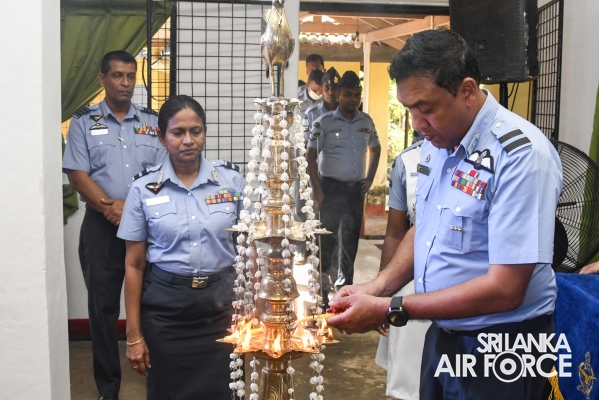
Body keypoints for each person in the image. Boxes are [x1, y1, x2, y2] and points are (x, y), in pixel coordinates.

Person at [327, 29, 562, 400]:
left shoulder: (520, 156)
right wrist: (376, 287)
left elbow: (505, 290)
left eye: (425, 108)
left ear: (466, 91)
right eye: (408, 109)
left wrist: (390, 308)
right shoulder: (439, 143)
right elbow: (427, 228)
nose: (416, 123)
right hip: (444, 337)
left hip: (502, 349)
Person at [117, 95, 245, 399]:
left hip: (222, 310)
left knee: (225, 391)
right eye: (178, 132)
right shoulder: (144, 188)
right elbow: (134, 264)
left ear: (204, 133)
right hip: (166, 314)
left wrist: (254, 310)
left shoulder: (232, 182)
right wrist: (133, 335)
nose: (188, 140)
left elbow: (248, 252)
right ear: (162, 137)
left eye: (196, 131)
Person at [62, 50, 166, 400]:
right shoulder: (82, 122)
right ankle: (108, 388)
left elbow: (162, 173)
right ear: (102, 79)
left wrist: (131, 208)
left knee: (152, 304)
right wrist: (113, 208)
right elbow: (78, 176)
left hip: (146, 226)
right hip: (101, 227)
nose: (125, 83)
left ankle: (157, 380)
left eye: (130, 76)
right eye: (118, 75)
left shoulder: (152, 122)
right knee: (102, 310)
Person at [307, 70, 381, 306]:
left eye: (357, 94)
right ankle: (321, 293)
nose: (353, 99)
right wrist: (317, 190)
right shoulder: (324, 122)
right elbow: (310, 157)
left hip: (354, 192)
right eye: (348, 94)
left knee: (350, 242)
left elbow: (376, 149)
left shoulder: (366, 121)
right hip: (329, 189)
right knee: (326, 242)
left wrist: (370, 178)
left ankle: (344, 292)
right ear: (339, 94)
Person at [375, 132, 431, 400]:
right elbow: (396, 234)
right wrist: (381, 295)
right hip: (411, 285)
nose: (419, 122)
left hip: (467, 293)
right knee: (412, 382)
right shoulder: (408, 161)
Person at [302, 67, 341, 144]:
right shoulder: (312, 113)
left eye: (335, 88)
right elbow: (305, 142)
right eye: (327, 88)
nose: (331, 92)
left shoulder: (348, 113)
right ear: (322, 90)